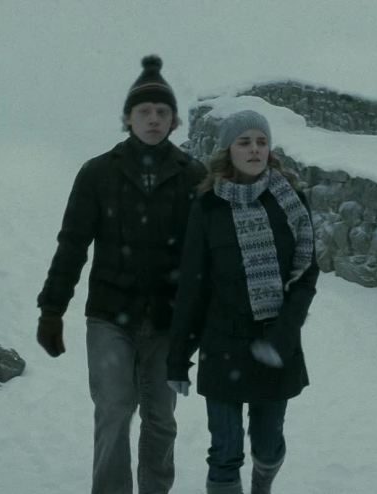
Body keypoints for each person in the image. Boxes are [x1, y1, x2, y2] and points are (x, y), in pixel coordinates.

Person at [36, 55, 206, 494]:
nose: (154, 119)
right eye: (144, 111)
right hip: (110, 315)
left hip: (168, 320)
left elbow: (206, 256)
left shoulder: (193, 176)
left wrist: (206, 318)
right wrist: (52, 310)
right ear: (128, 118)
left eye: (163, 112)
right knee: (113, 409)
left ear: (174, 121)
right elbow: (73, 244)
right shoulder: (98, 173)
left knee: (161, 417)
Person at [166, 110, 319, 494]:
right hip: (223, 344)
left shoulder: (291, 202)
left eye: (261, 142)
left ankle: (262, 483)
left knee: (267, 446)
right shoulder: (208, 207)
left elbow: (305, 275)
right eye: (244, 142)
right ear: (228, 150)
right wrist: (178, 357)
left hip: (276, 342)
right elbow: (193, 285)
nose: (254, 149)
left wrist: (283, 335)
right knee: (225, 451)